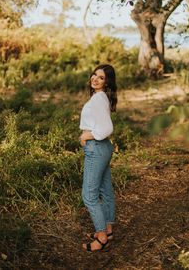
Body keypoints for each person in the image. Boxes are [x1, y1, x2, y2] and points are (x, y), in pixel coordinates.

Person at [79, 64, 117, 252]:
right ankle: (108, 230)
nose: (95, 79)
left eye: (101, 77)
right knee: (105, 189)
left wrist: (87, 136)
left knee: (89, 195)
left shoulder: (98, 99)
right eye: (94, 75)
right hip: (103, 149)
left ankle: (101, 237)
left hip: (97, 149)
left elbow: (106, 129)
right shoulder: (101, 98)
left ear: (106, 82)